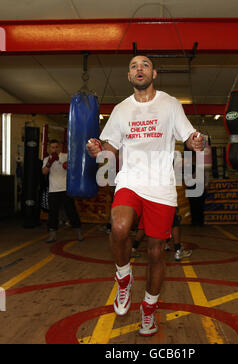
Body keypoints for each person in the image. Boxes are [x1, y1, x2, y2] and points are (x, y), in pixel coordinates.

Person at [87, 55, 204, 337]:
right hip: (130, 180)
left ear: (154, 74)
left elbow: (189, 136)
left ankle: (149, 309)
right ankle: (123, 277)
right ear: (129, 76)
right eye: (133, 66)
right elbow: (110, 145)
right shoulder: (121, 109)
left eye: (145, 65)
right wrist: (98, 148)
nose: (139, 69)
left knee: (155, 253)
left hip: (161, 187)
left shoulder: (170, 104)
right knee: (119, 226)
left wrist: (196, 141)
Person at [42, 139, 83, 243]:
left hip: (65, 189)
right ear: (49, 148)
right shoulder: (47, 159)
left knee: (71, 211)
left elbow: (75, 167)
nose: (55, 149)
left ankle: (78, 233)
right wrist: (49, 163)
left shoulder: (66, 156)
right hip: (53, 190)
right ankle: (52, 235)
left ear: (59, 147)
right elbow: (44, 172)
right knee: (53, 214)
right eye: (52, 147)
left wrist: (68, 166)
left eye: (56, 147)